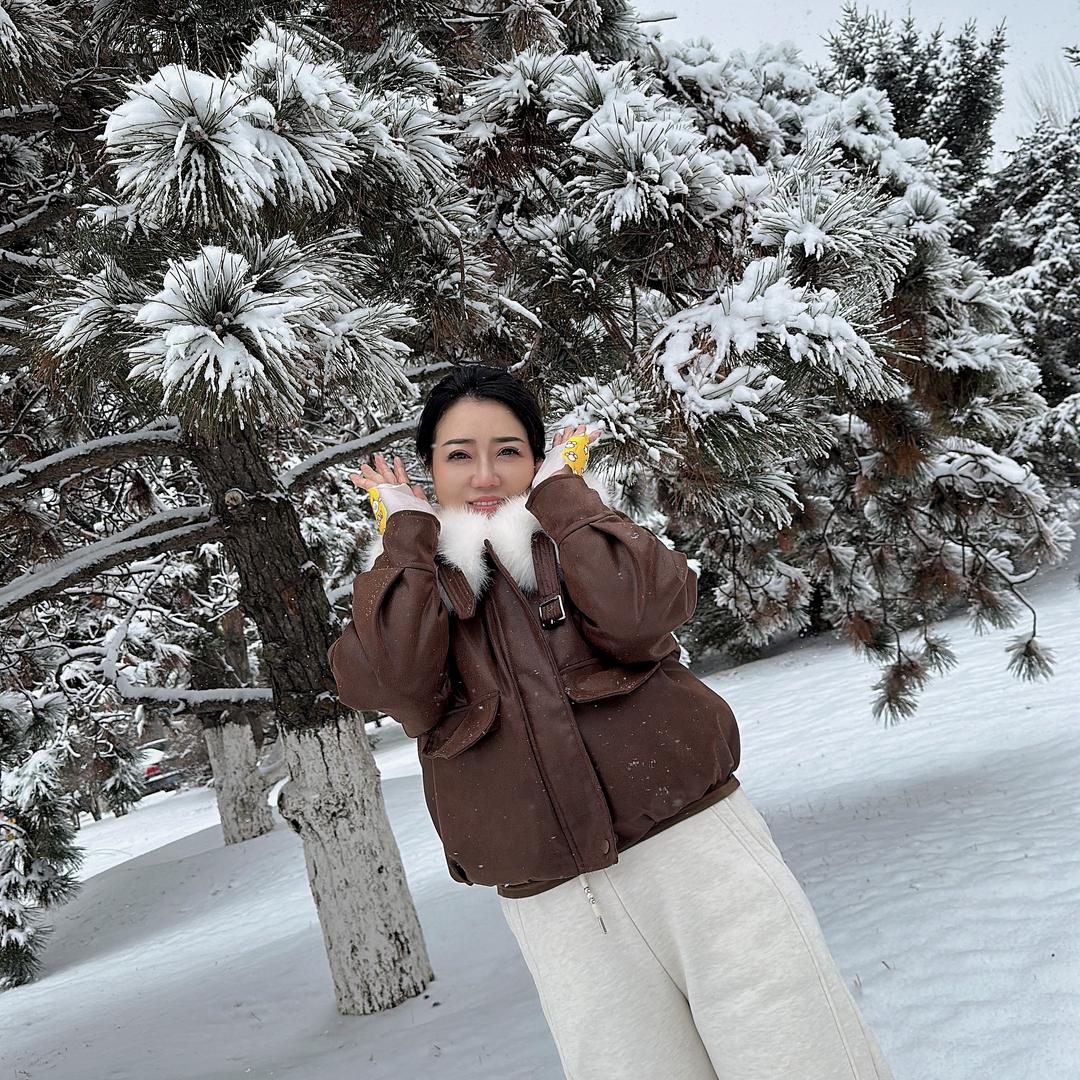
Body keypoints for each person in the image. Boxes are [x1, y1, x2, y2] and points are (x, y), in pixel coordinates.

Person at [327, 364, 894, 1080]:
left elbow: (642, 611)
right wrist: (406, 536)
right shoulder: (412, 584)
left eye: (508, 450)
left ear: (538, 459)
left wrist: (564, 498)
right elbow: (393, 684)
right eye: (459, 455)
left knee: (798, 1055)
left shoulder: (575, 535)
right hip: (561, 909)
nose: (485, 475)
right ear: (429, 471)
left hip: (696, 854)